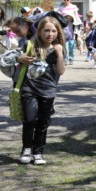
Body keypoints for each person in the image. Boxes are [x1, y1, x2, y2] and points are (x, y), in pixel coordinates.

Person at [14, 15, 67, 165]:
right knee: (30, 120)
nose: (50, 34)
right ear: (39, 32)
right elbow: (12, 57)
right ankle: (26, 149)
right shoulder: (30, 45)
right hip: (28, 88)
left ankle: (38, 151)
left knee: (43, 123)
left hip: (48, 90)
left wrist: (59, 53)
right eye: (46, 31)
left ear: (58, 33)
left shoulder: (58, 48)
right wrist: (20, 58)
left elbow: (61, 71)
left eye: (53, 31)